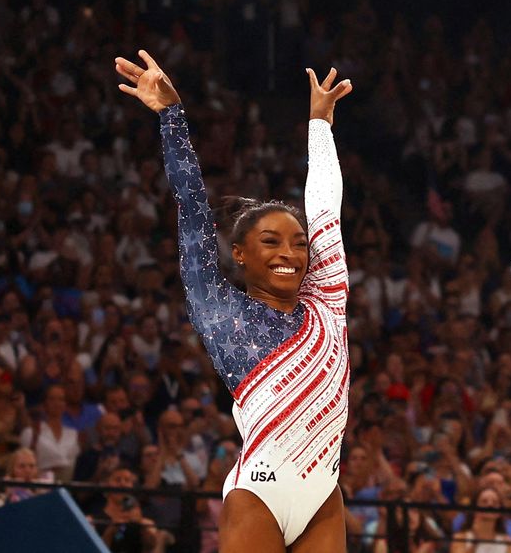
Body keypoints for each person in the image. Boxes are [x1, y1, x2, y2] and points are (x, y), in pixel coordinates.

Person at [114, 49, 352, 552]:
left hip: (323, 494)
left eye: (298, 242)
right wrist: (171, 118)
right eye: (271, 242)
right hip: (259, 494)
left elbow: (325, 204)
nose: (290, 253)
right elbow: (192, 211)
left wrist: (320, 124)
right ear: (239, 254)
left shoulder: (327, 298)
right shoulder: (221, 310)